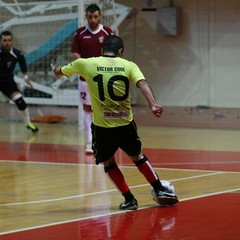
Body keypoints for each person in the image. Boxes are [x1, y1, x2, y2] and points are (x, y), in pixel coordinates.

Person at [51, 35, 178, 210]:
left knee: (108, 162)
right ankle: (159, 188)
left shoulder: (86, 63)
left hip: (102, 126)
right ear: (121, 52)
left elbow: (60, 71)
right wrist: (153, 104)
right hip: (125, 123)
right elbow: (142, 83)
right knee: (137, 156)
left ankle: (129, 199)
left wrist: (56, 69)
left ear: (102, 51)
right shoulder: (129, 65)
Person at [71, 3, 113, 153]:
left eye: (96, 16)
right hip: (85, 78)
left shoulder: (107, 32)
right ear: (86, 17)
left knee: (103, 109)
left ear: (100, 16)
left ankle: (104, 140)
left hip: (103, 77)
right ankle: (90, 142)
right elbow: (75, 53)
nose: (93, 19)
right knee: (87, 109)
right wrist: (84, 66)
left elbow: (113, 52)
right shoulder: (80, 33)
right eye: (90, 17)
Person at [0, 30, 38, 133]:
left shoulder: (17, 53)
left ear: (12, 41)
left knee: (20, 101)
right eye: (4, 40)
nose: (7, 42)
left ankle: (28, 123)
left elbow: (23, 64)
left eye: (9, 40)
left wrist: (26, 77)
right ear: (1, 41)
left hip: (7, 82)